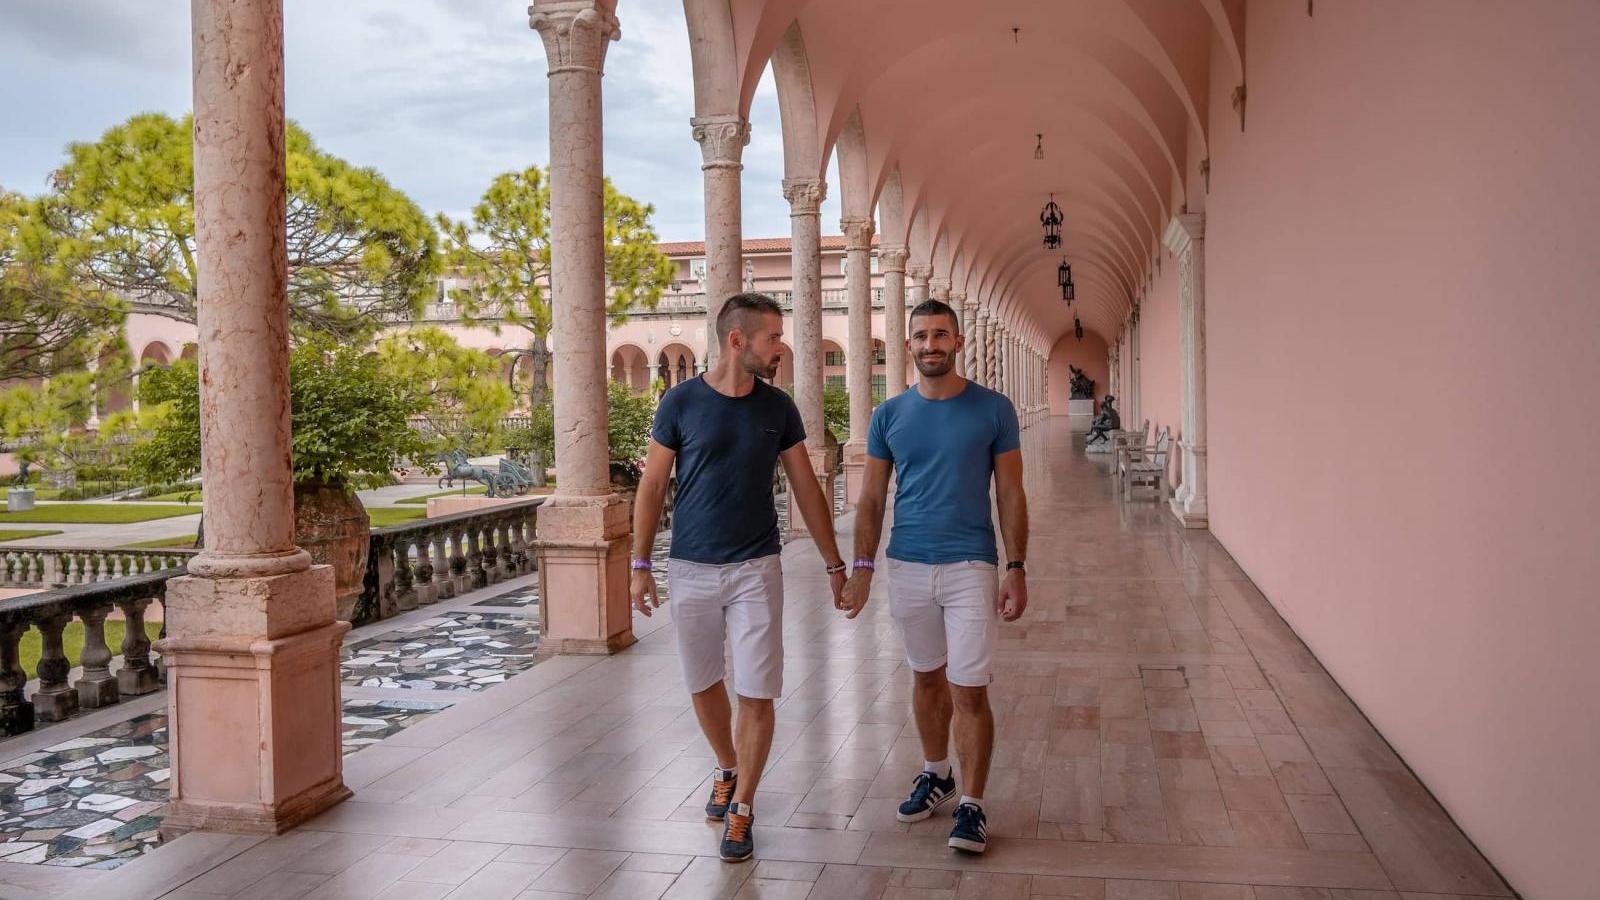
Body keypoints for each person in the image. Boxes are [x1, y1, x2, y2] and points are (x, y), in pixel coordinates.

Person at [630, 293, 848, 863]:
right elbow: (652, 487)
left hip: (757, 568)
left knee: (757, 689)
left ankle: (743, 806)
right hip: (691, 567)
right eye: (772, 337)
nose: (780, 347)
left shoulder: (779, 409)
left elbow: (806, 487)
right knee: (703, 683)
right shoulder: (679, 402)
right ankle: (727, 766)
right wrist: (639, 564)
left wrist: (835, 563)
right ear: (737, 340)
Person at [840, 298, 1029, 855]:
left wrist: (1015, 566)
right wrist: (864, 568)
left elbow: (1011, 491)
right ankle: (935, 772)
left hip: (972, 563)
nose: (930, 345)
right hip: (907, 564)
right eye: (920, 336)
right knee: (925, 678)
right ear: (908, 345)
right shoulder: (889, 414)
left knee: (968, 688)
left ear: (958, 342)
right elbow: (872, 497)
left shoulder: (993, 409)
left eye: (940, 335)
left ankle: (971, 804)